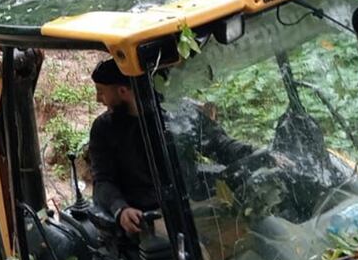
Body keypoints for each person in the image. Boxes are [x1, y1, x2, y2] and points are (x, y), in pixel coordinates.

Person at [87, 59, 254, 235]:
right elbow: (103, 180)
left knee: (257, 230)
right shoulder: (103, 129)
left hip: (194, 204)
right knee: (196, 253)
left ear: (123, 91)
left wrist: (256, 153)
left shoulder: (180, 112)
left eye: (101, 92)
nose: (98, 99)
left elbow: (220, 145)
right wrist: (120, 209)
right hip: (150, 215)